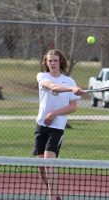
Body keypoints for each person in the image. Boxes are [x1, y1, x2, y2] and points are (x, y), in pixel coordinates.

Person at [33, 49, 83, 200]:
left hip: (57, 127)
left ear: (60, 61)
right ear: (46, 63)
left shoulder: (69, 81)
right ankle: (55, 195)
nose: (53, 63)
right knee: (41, 166)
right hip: (41, 125)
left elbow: (73, 107)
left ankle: (52, 198)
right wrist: (71, 89)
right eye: (50, 61)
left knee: (49, 162)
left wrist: (54, 114)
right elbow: (53, 87)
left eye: (55, 60)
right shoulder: (42, 76)